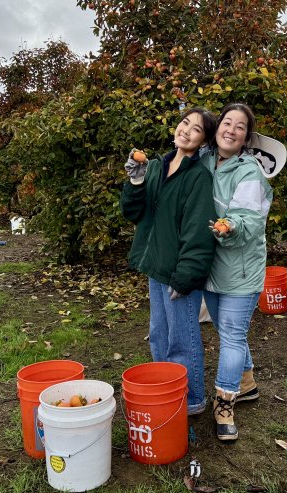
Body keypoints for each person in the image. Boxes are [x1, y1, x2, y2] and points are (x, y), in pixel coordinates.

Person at [120, 107, 218, 416]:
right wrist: (135, 183)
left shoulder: (198, 177)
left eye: (197, 129)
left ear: (204, 141)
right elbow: (135, 214)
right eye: (185, 123)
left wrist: (187, 275)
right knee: (160, 334)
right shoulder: (154, 167)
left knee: (182, 339)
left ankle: (191, 400)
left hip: (178, 272)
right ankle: (166, 393)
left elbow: (199, 230)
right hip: (156, 266)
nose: (187, 130)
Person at [201, 103, 273, 441]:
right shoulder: (204, 160)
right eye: (226, 122)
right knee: (228, 330)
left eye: (240, 126)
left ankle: (225, 402)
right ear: (217, 129)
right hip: (209, 263)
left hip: (241, 267)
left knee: (230, 334)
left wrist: (230, 225)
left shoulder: (249, 171)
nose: (231, 129)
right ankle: (247, 383)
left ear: (246, 138)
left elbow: (250, 218)